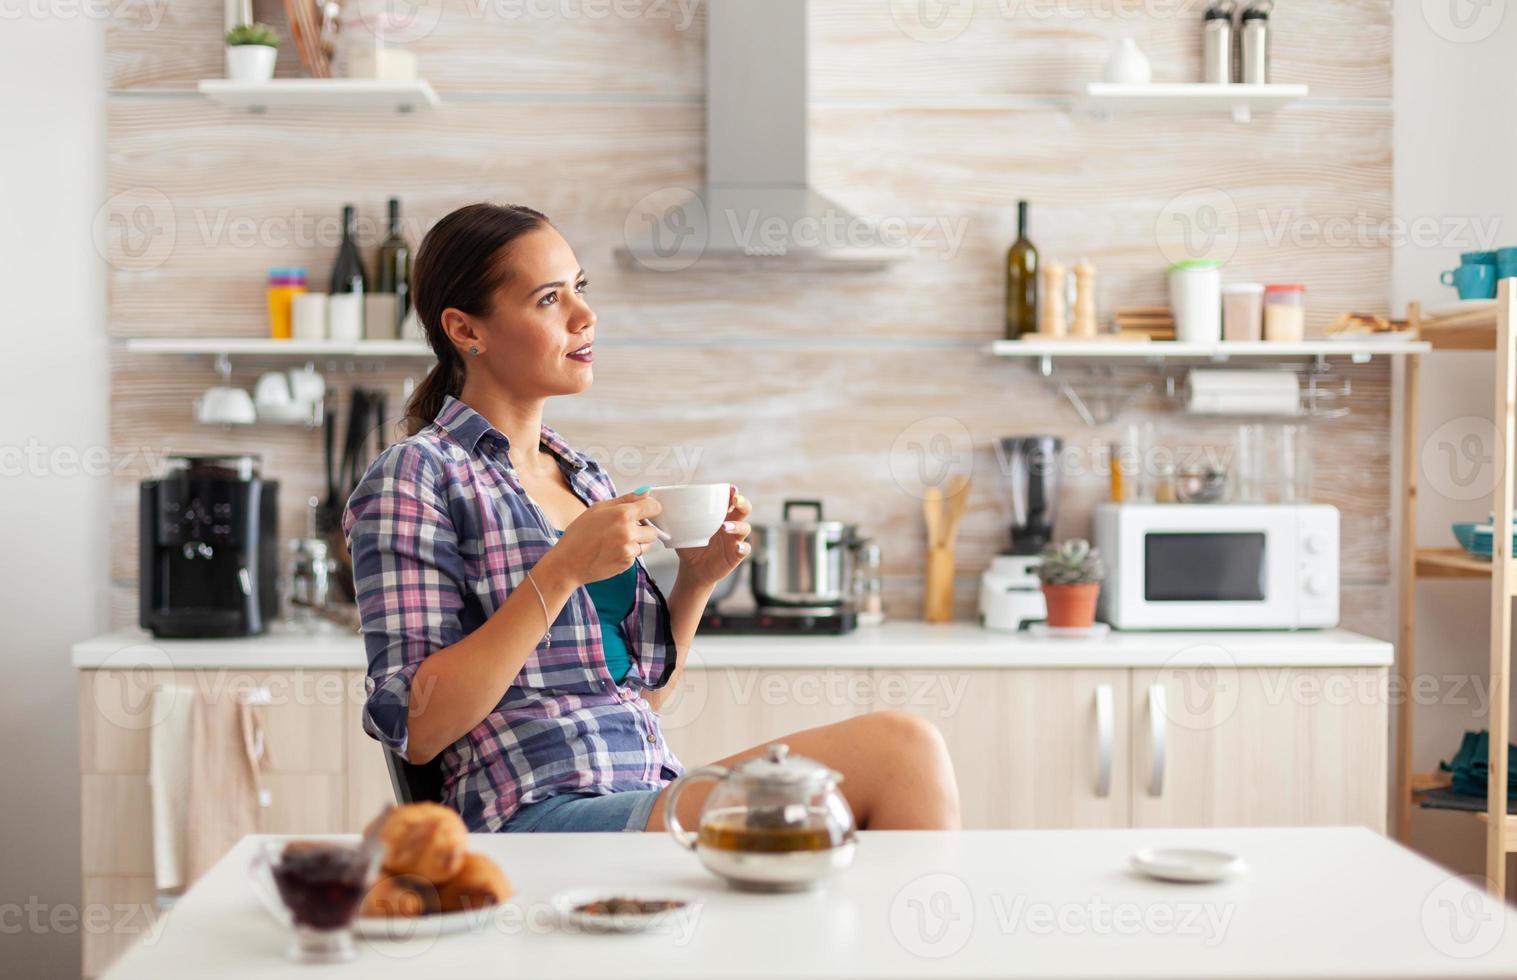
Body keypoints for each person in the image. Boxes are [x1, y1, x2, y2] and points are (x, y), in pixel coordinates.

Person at [345, 202, 961, 833]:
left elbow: (642, 697)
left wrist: (696, 581)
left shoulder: (582, 477)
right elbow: (416, 727)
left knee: (905, 755)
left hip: (639, 785)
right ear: (465, 329)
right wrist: (559, 572)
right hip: (531, 812)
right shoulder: (417, 476)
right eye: (549, 299)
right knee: (899, 751)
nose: (586, 316)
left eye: (580, 288)